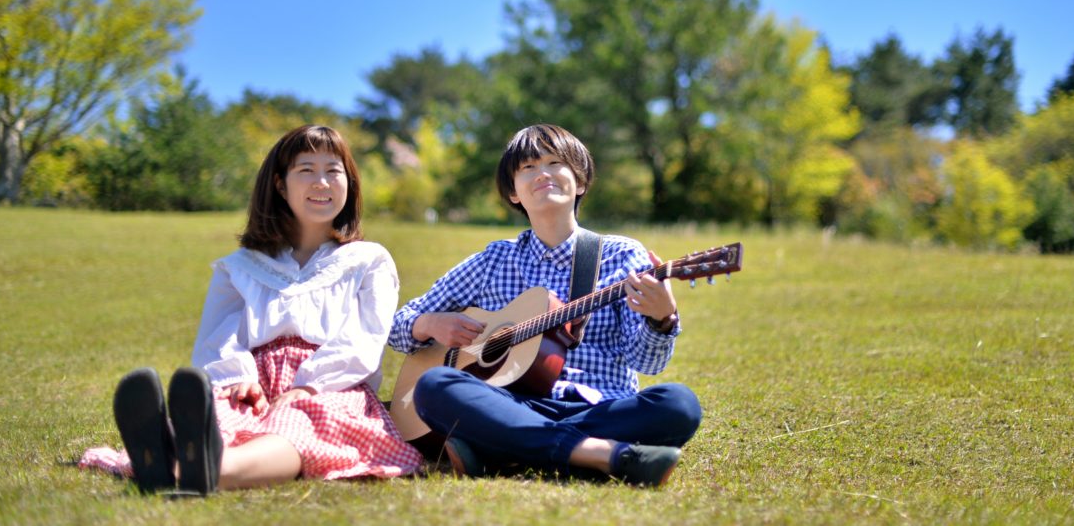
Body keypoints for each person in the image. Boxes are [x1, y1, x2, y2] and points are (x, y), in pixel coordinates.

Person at [80, 125, 423, 494]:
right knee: (227, 416)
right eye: (306, 170)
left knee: (297, 428)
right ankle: (176, 454)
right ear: (280, 185)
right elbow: (221, 333)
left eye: (333, 171)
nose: (321, 182)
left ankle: (199, 468)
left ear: (350, 184)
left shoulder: (368, 260)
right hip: (251, 379)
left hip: (331, 384)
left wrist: (309, 386)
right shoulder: (241, 266)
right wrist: (236, 377)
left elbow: (365, 338)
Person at [387, 124, 701, 487]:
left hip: (601, 407)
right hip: (510, 405)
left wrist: (662, 319)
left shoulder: (621, 256)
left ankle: (501, 449)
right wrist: (428, 325)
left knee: (679, 405)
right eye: (528, 168)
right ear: (513, 192)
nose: (543, 174)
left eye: (555, 163)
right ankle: (604, 454)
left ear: (580, 182)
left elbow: (647, 362)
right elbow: (399, 326)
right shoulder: (492, 261)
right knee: (435, 384)